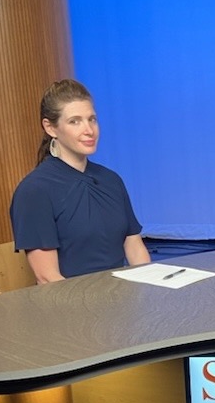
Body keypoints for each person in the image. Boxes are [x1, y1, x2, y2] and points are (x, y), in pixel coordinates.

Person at [10, 79, 151, 283]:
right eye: (75, 121)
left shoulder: (111, 180)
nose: (89, 130)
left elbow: (135, 248)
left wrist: (154, 291)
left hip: (120, 300)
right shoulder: (34, 191)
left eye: (92, 119)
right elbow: (47, 278)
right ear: (50, 127)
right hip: (70, 307)